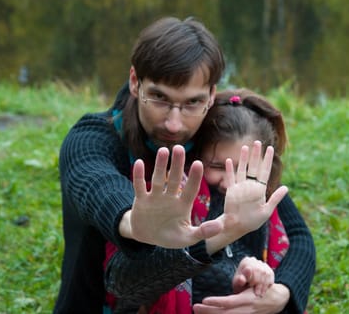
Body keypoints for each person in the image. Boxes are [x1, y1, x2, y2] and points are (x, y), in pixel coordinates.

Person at [54, 16, 287, 313]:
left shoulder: (211, 133)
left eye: (191, 102)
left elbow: (295, 229)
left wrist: (283, 294)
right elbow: (100, 190)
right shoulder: (91, 140)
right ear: (135, 82)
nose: (174, 124)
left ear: (211, 96)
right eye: (159, 98)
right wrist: (133, 222)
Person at [105, 89, 316, 313]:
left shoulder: (262, 191)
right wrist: (223, 237)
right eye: (216, 166)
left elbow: (301, 239)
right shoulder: (172, 192)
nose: (230, 182)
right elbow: (129, 281)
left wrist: (266, 282)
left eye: (243, 170)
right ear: (194, 154)